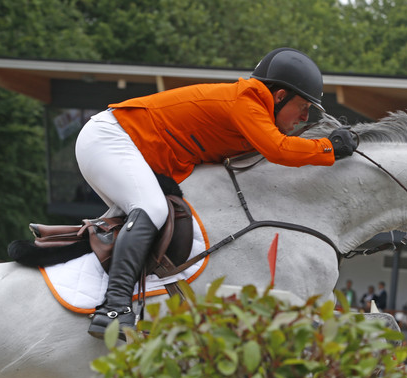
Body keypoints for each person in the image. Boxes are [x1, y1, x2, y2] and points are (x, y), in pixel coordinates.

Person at [74, 47, 359, 339]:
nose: (304, 116)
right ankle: (113, 309)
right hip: (111, 138)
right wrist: (328, 147)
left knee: (160, 225)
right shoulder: (247, 102)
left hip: (129, 148)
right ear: (279, 96)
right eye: (303, 105)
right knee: (153, 210)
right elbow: (279, 150)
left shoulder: (254, 113)